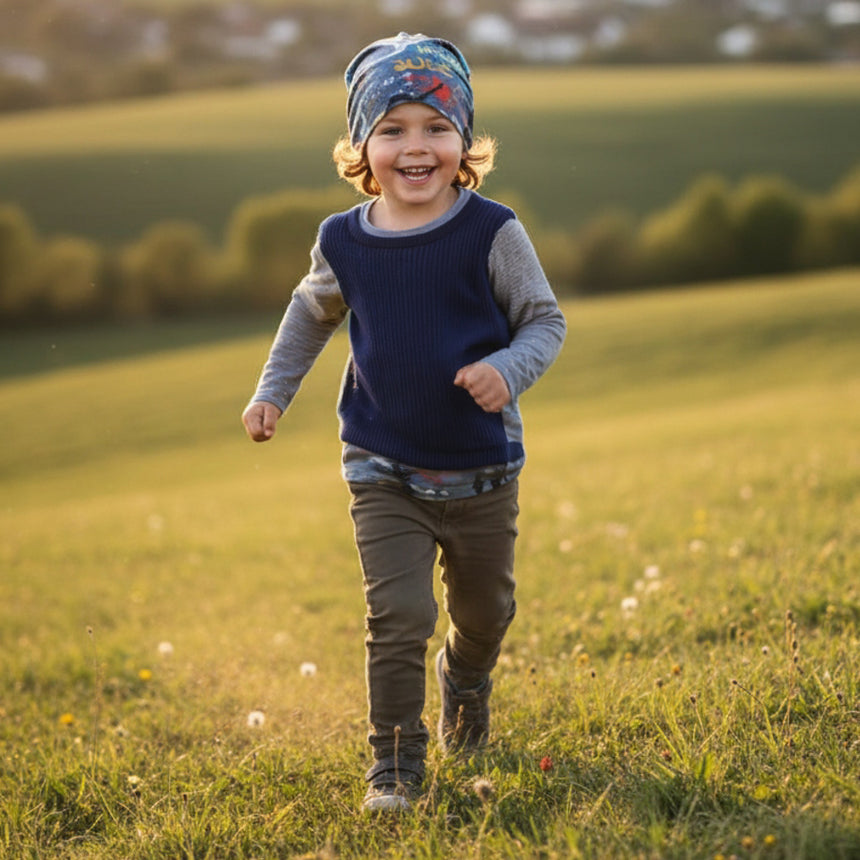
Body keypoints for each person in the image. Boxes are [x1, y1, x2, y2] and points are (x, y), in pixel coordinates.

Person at [242, 32, 566, 813]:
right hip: (381, 462)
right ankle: (393, 767)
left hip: (483, 465)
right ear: (361, 145)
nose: (414, 147)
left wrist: (506, 370)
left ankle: (466, 680)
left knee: (484, 612)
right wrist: (272, 392)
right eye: (392, 129)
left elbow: (544, 323)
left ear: (465, 144)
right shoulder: (343, 241)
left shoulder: (492, 231)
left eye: (435, 127)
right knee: (399, 615)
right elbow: (308, 317)